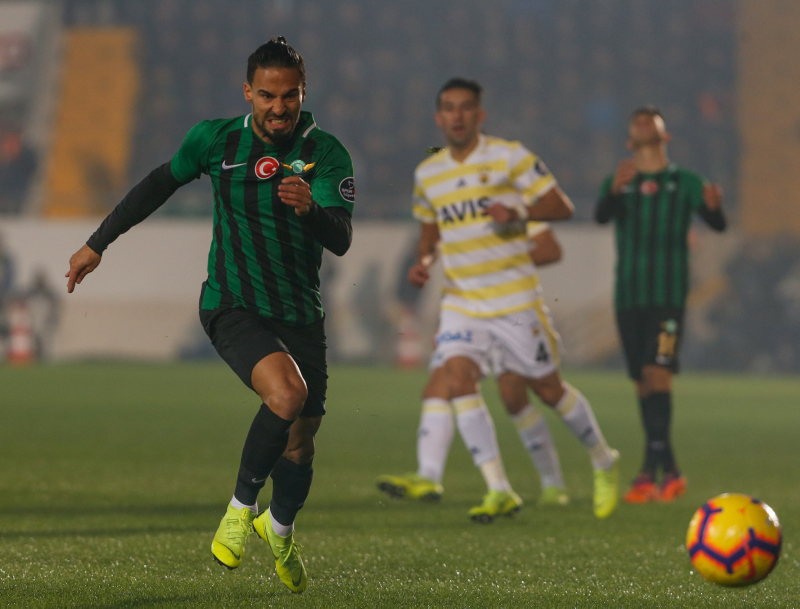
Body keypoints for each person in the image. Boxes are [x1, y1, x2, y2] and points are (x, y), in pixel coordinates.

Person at [65, 37, 355, 593]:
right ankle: (240, 510)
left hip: (299, 313)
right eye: (267, 95)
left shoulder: (326, 152)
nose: (279, 107)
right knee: (287, 396)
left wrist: (311, 209)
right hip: (231, 303)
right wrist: (97, 243)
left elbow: (340, 238)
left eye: (289, 96)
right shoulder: (215, 140)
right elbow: (158, 184)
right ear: (248, 92)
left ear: (303, 93)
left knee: (301, 442)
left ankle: (280, 529)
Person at [383, 78, 620, 522]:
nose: (457, 116)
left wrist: (518, 214)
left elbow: (562, 207)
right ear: (438, 117)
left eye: (465, 107)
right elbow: (430, 234)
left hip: (514, 301)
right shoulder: (428, 174)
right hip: (462, 301)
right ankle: (499, 488)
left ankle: (603, 458)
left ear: (480, 115)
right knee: (457, 379)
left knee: (548, 390)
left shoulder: (510, 158)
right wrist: (424, 262)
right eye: (449, 108)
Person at [377, 225, 572, 517]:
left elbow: (547, 244)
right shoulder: (450, 210)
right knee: (439, 386)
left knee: (515, 398)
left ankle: (554, 482)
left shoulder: (500, 207)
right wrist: (426, 264)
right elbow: (440, 245)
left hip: (506, 312)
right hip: (465, 314)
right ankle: (430, 475)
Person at [595, 106, 726, 504]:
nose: (643, 123)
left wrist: (714, 207)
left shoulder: (685, 182)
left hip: (668, 299)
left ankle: (646, 473)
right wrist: (614, 193)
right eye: (637, 121)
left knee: (659, 372)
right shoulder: (619, 180)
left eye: (651, 120)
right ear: (629, 140)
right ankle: (669, 471)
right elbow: (601, 217)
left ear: (664, 136)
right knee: (642, 381)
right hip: (629, 297)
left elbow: (717, 224)